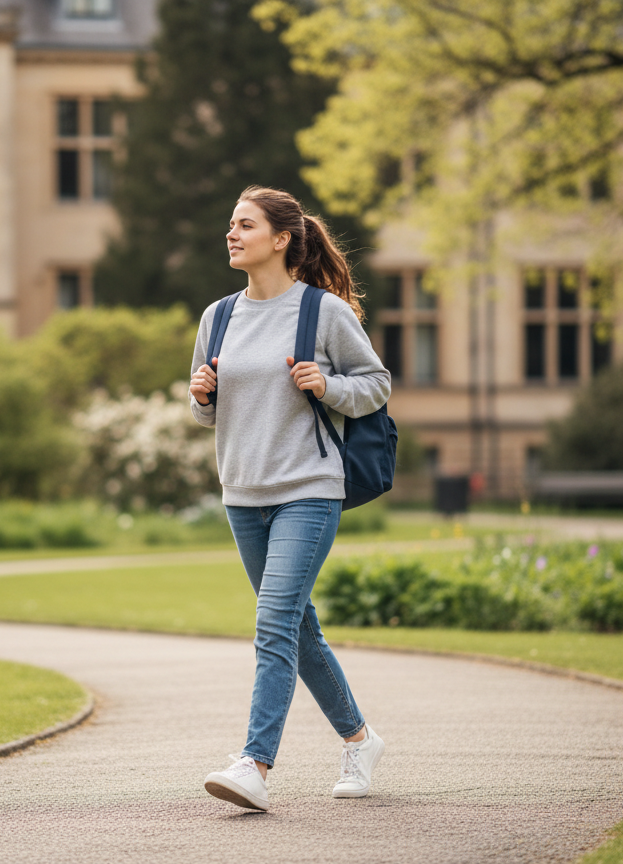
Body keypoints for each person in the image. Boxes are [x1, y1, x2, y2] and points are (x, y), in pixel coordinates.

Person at [188, 186, 392, 811]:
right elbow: (208, 414)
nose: (232, 233)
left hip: (309, 489)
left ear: (281, 240)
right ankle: (360, 739)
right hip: (242, 494)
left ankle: (254, 762)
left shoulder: (323, 313)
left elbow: (376, 384)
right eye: (230, 224)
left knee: (274, 621)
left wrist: (328, 385)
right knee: (297, 628)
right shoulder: (217, 317)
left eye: (244, 225)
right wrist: (200, 396)